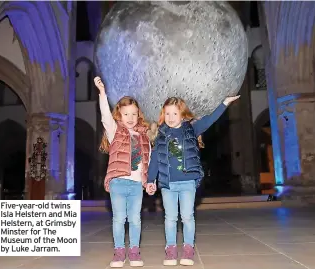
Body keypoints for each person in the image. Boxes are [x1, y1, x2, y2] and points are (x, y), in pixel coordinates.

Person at [146, 95, 240, 266]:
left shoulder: (191, 129)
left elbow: (210, 119)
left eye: (174, 114)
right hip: (168, 183)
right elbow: (154, 159)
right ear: (163, 115)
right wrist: (150, 180)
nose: (170, 118)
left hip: (188, 181)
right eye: (167, 114)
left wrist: (224, 103)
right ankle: (171, 249)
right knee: (170, 217)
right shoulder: (161, 135)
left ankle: (188, 248)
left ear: (182, 115)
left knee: (187, 216)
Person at [94, 76, 151, 268]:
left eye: (134, 114)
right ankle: (119, 252)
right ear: (119, 115)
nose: (130, 118)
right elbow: (105, 117)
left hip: (136, 185)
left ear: (138, 115)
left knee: (135, 218)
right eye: (126, 114)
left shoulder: (143, 136)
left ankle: (134, 251)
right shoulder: (114, 131)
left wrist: (148, 181)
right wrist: (103, 93)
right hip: (118, 182)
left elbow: (147, 161)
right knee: (119, 218)